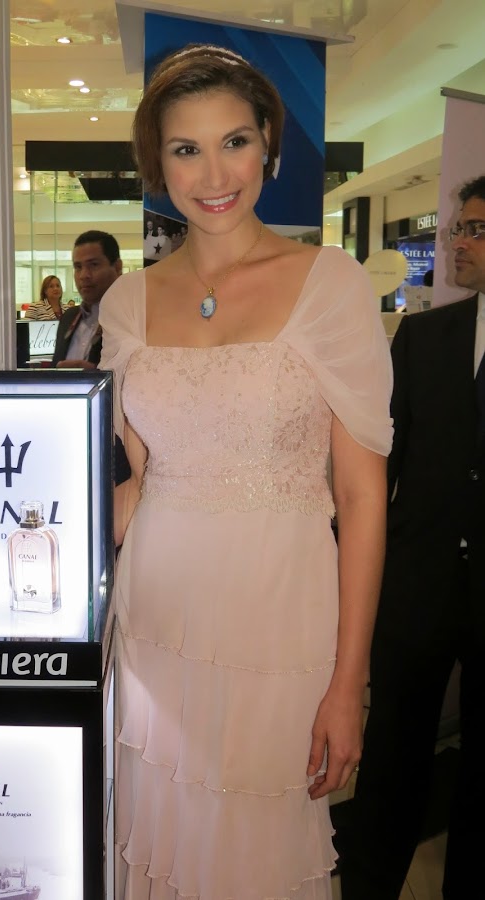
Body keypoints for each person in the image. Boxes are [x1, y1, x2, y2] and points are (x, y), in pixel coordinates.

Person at [99, 43, 392, 900]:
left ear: (268, 142)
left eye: (234, 141)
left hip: (279, 623)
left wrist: (348, 683)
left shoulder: (329, 285)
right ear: (158, 165)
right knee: (159, 842)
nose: (213, 173)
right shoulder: (126, 302)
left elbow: (361, 497)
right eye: (185, 149)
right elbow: (140, 484)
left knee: (254, 854)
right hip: (154, 623)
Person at [339, 176, 485, 900]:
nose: (458, 242)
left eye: (475, 230)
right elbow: (380, 467)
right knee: (392, 761)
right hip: (416, 587)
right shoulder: (424, 339)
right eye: (459, 228)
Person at [51, 230, 122, 369]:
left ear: (117, 267)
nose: (84, 275)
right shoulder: (69, 318)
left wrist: (98, 376)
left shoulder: (132, 318)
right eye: (78, 267)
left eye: (93, 265)